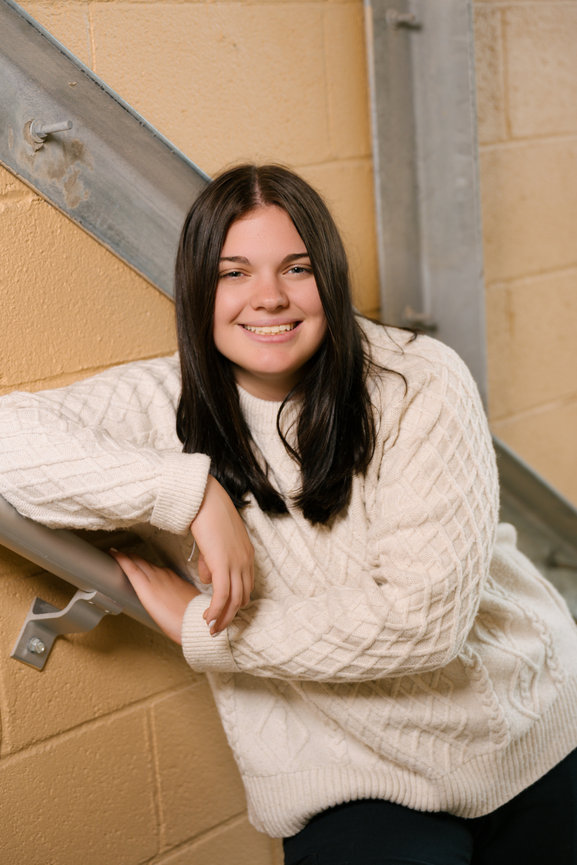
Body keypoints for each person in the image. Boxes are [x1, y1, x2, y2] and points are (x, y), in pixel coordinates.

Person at [1, 164, 577, 864]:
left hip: (528, 731)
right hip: (349, 776)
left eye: (296, 268)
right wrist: (190, 492)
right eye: (233, 272)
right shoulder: (160, 402)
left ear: (327, 279)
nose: (267, 298)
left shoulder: (418, 380)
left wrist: (207, 629)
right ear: (196, 289)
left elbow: (423, 622)